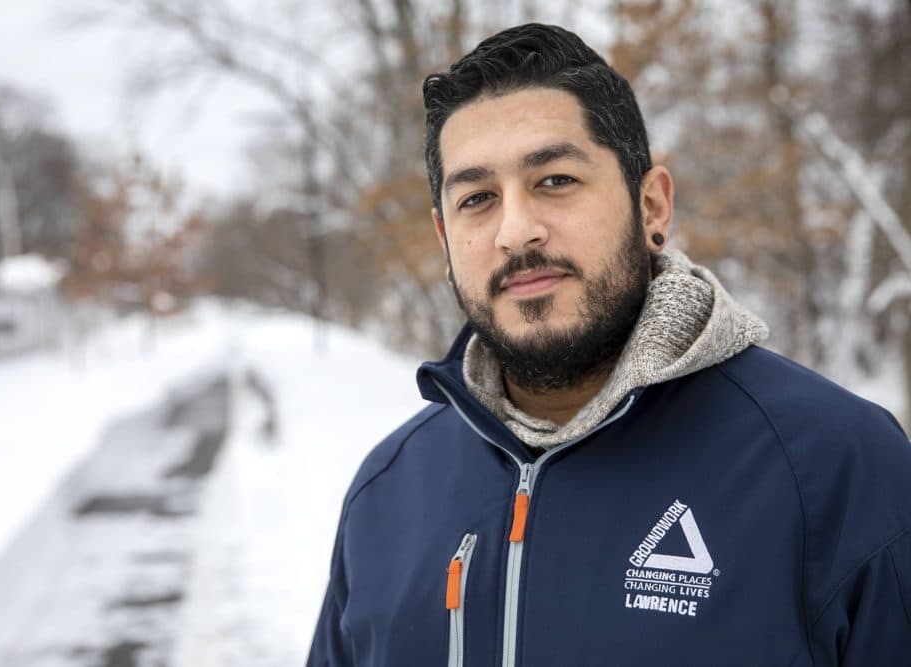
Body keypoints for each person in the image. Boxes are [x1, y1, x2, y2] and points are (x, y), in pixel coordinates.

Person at [306, 23, 911, 667]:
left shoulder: (836, 466)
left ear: (651, 206)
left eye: (555, 180)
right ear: (443, 238)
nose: (516, 230)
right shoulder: (387, 492)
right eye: (477, 198)